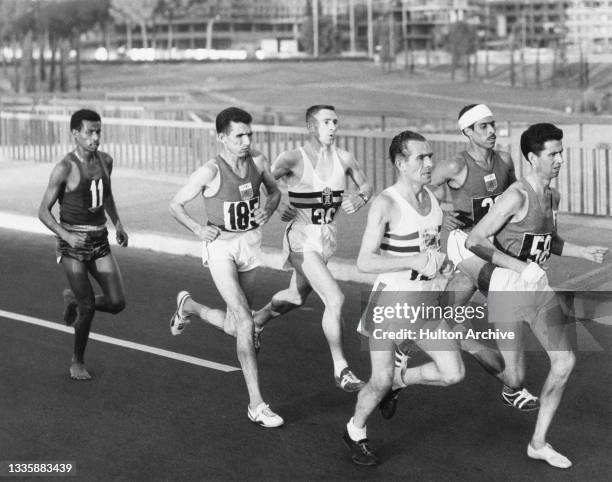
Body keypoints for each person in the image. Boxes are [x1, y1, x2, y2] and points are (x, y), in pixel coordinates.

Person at [466, 123, 608, 468]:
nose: (560, 159)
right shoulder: (516, 195)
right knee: (514, 380)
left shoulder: (551, 196)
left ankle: (538, 442)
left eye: (561, 152)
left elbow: (549, 240)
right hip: (509, 289)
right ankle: (465, 341)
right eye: (553, 154)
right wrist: (517, 267)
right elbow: (475, 240)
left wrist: (581, 251)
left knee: (565, 362)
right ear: (532, 157)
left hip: (538, 288)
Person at [389, 104, 538, 417]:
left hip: (491, 246)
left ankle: (403, 353)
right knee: (500, 295)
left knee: (446, 309)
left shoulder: (505, 160)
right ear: (467, 132)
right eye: (482, 127)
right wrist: (442, 210)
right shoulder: (456, 166)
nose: (491, 131)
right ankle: (511, 383)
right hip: (465, 245)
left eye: (492, 125)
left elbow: (516, 194)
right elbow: (417, 188)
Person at [343, 131, 464, 466]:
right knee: (377, 380)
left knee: (453, 374)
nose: (429, 163)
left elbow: (430, 249)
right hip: (389, 304)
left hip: (424, 305)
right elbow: (364, 261)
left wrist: (443, 267)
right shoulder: (386, 203)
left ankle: (401, 379)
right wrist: (411, 262)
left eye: (430, 156)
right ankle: (355, 431)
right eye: (420, 158)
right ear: (400, 162)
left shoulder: (434, 199)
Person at [168, 107, 283, 428]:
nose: (246, 141)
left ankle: (188, 306)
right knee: (246, 322)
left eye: (249, 134)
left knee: (236, 326)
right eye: (239, 136)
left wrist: (267, 211)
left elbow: (274, 192)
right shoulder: (210, 171)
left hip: (250, 244)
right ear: (222, 138)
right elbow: (175, 205)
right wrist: (197, 229)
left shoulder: (259, 162)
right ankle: (257, 404)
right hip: (220, 247)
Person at [252, 105, 372, 392]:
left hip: (327, 238)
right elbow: (264, 181)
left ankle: (256, 321)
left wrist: (361, 198)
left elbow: (366, 184)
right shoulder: (293, 158)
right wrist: (277, 204)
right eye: (326, 122)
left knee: (295, 296)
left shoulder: (344, 158)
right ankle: (341, 368)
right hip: (301, 239)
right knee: (335, 298)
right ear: (311, 127)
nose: (333, 127)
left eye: (335, 122)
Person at [38, 109, 128, 380]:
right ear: (75, 133)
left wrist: (118, 224)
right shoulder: (65, 167)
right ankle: (77, 360)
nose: (96, 137)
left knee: (116, 302)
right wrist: (64, 236)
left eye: (98, 131)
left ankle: (73, 301)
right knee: (89, 305)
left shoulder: (106, 161)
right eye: (90, 131)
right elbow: (43, 211)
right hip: (72, 243)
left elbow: (107, 195)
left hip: (100, 240)